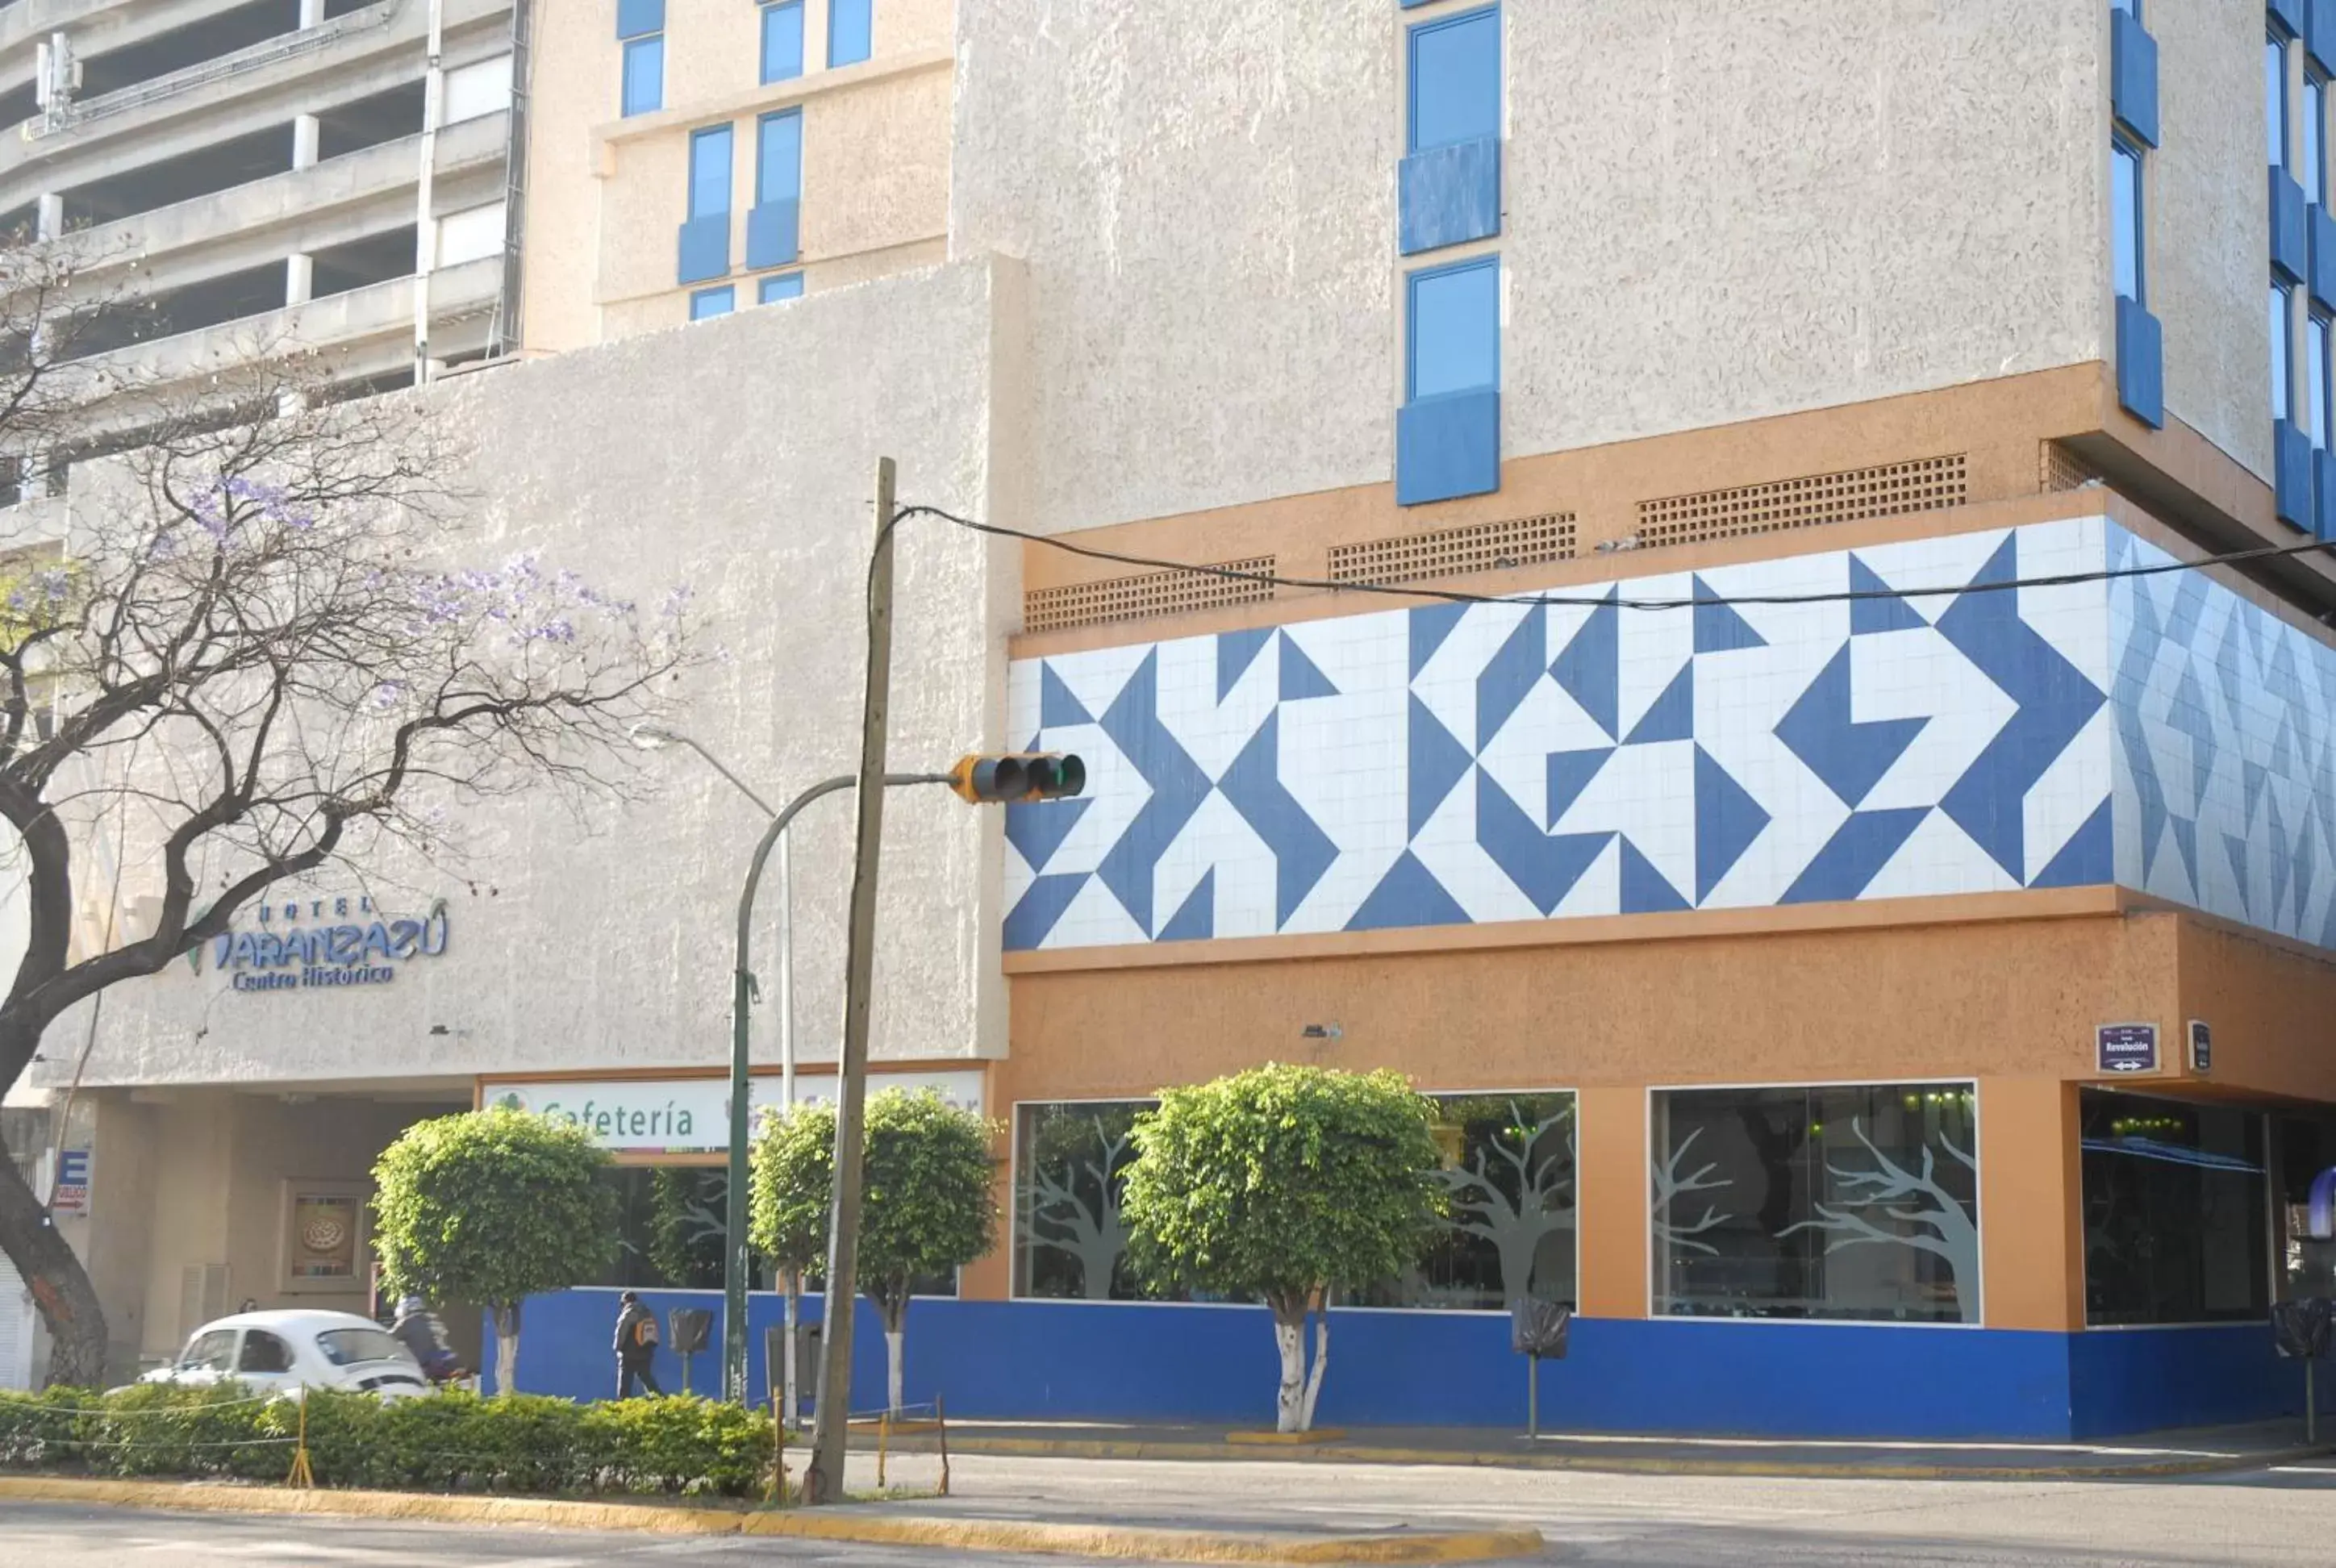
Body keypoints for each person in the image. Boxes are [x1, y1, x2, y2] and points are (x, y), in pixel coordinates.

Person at [390, 1295, 462, 1383]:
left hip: (425, 1365)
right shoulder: (433, 1318)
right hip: (447, 1361)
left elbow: (388, 1337)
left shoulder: (407, 1321)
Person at [613, 1290, 663, 1398]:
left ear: (626, 1301)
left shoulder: (629, 1312)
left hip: (629, 1353)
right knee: (646, 1377)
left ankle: (623, 1405)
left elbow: (621, 1331)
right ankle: (661, 1399)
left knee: (625, 1381)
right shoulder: (647, 1312)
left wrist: (618, 1348)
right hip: (646, 1352)